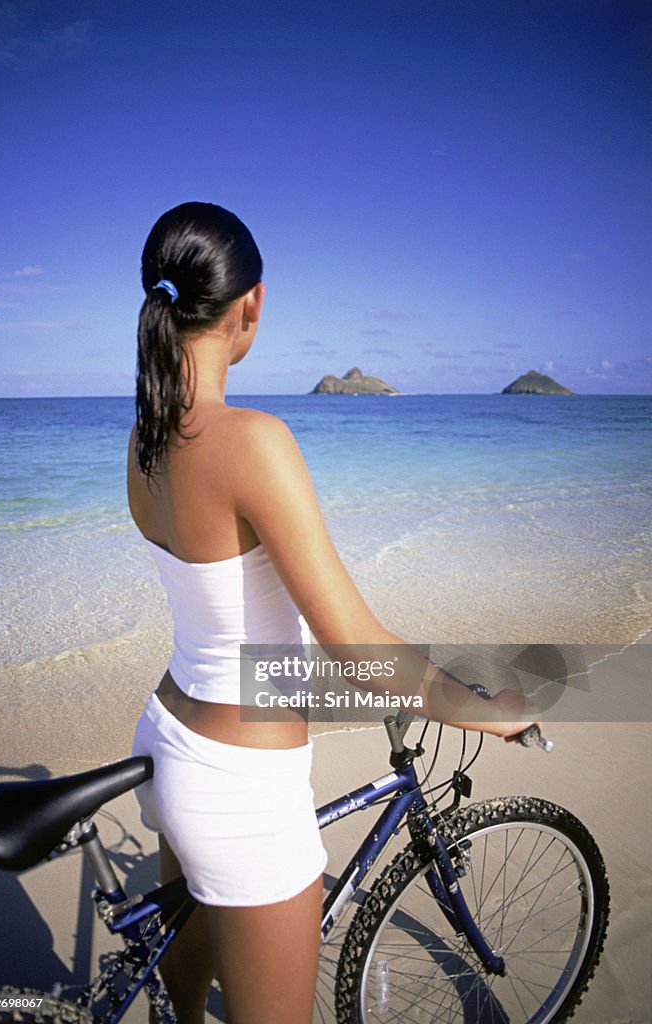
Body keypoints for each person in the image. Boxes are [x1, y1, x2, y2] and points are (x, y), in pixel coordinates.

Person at [128, 202, 537, 1024]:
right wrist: (479, 708)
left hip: (168, 738)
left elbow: (232, 626)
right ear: (253, 304)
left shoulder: (145, 438)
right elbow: (355, 645)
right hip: (240, 785)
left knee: (187, 985)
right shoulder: (254, 440)